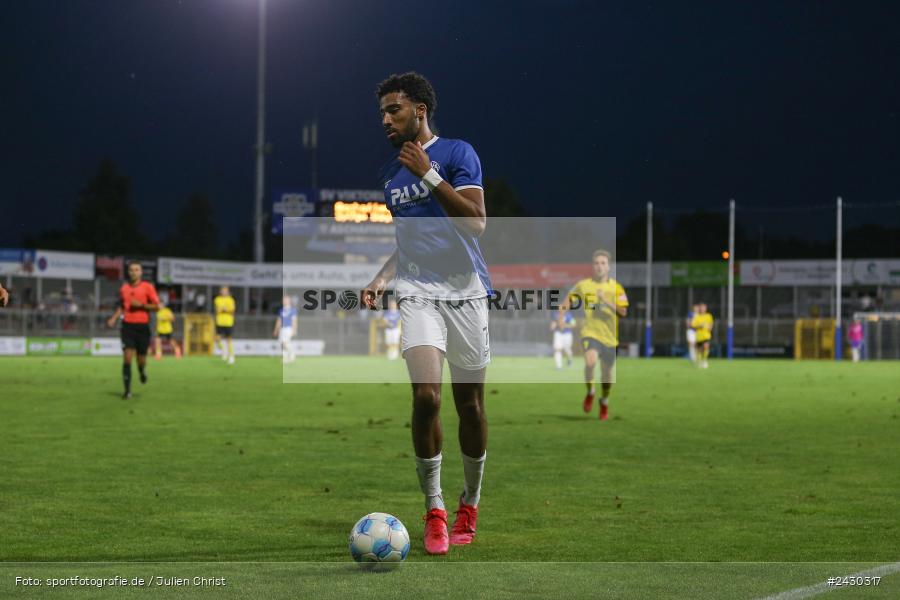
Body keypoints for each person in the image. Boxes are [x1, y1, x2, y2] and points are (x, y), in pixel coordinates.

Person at [363, 72, 489, 556]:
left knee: (471, 407)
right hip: (417, 293)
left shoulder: (458, 153)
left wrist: (429, 174)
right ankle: (434, 508)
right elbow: (406, 244)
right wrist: (380, 279)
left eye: (393, 110)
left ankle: (469, 503)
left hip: (466, 292)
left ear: (420, 109)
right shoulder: (389, 176)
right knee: (426, 399)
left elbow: (476, 224)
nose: (385, 120)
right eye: (380, 114)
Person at [559, 249, 628, 421]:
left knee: (607, 375)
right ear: (593, 266)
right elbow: (568, 300)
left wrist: (605, 301)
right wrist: (561, 316)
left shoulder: (616, 287)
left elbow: (623, 311)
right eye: (596, 263)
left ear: (608, 266)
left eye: (603, 263)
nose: (599, 266)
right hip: (590, 332)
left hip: (610, 338)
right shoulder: (584, 285)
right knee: (590, 362)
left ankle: (604, 401)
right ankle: (590, 391)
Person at [106, 261, 159, 399]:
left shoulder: (148, 287)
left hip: (142, 327)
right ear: (128, 272)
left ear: (141, 272)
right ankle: (127, 391)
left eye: (136, 270)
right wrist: (114, 318)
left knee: (141, 359)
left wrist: (141, 305)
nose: (134, 272)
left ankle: (142, 371)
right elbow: (122, 307)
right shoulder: (124, 288)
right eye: (131, 270)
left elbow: (157, 306)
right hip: (127, 326)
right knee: (127, 358)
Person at [214, 286, 236, 364]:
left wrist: (225, 309)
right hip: (219, 321)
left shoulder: (231, 300)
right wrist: (223, 309)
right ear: (220, 291)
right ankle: (224, 351)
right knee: (217, 339)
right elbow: (217, 310)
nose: (224, 292)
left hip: (228, 322)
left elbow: (232, 311)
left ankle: (231, 356)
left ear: (228, 292)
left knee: (228, 339)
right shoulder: (217, 299)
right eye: (223, 290)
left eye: (226, 290)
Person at [273, 295, 297, 364]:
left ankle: (292, 354)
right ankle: (285, 358)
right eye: (283, 300)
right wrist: (276, 330)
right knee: (281, 343)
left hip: (288, 328)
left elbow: (294, 320)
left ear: (289, 301)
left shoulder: (293, 310)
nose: (284, 301)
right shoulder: (281, 310)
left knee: (285, 342)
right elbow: (279, 321)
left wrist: (294, 330)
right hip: (282, 329)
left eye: (285, 300)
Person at [690, 303, 714, 369]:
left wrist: (710, 327)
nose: (702, 309)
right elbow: (692, 325)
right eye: (701, 308)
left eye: (704, 308)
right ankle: (700, 361)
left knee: (706, 346)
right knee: (699, 350)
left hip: (706, 335)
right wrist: (699, 325)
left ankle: (704, 360)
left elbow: (711, 324)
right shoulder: (697, 317)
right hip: (699, 336)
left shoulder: (709, 316)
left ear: (706, 308)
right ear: (700, 309)